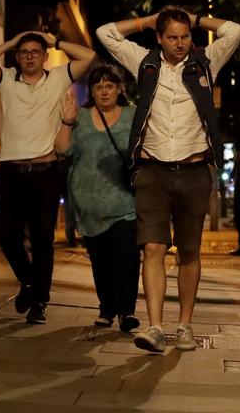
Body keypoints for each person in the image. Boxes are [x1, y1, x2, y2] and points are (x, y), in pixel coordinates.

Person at [97, 5, 240, 352]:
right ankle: (155, 327)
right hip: (152, 172)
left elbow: (234, 31)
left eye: (184, 37)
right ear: (159, 39)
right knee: (152, 247)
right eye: (172, 37)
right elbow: (106, 32)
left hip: (194, 172)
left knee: (189, 252)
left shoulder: (206, 61)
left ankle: (185, 326)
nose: (180, 44)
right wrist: (147, 21)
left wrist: (195, 20)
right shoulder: (144, 62)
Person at [0, 31, 95, 324]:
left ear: (44, 55)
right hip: (11, 173)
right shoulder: (6, 80)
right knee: (7, 237)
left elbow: (88, 56)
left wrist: (53, 41)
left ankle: (39, 301)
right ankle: (28, 282)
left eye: (35, 51)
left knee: (42, 241)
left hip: (45, 174)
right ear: (18, 56)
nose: (29, 56)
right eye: (24, 52)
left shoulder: (58, 78)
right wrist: (11, 42)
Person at [55, 65, 141, 332]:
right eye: (98, 87)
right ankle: (107, 308)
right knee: (100, 261)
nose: (104, 92)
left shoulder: (133, 115)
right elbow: (62, 149)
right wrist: (67, 122)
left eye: (109, 86)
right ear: (92, 91)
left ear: (119, 88)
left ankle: (126, 312)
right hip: (87, 206)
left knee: (126, 258)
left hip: (124, 202)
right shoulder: (79, 116)